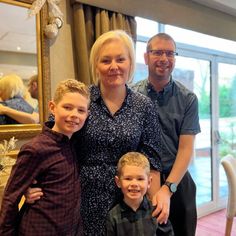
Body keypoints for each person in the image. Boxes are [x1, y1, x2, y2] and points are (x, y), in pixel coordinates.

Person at [25, 30, 163, 236]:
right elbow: (51, 143)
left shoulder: (144, 106)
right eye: (105, 60)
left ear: (130, 63)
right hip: (81, 200)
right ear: (96, 66)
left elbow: (151, 160)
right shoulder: (80, 99)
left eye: (120, 59)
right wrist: (32, 183)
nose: (114, 66)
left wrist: (153, 205)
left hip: (129, 201)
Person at [131, 33, 201, 236]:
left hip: (177, 180)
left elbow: (186, 149)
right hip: (142, 181)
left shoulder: (188, 99)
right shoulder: (132, 95)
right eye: (158, 52)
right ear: (146, 58)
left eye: (170, 53)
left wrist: (168, 188)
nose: (164, 58)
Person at [0, 79, 90, 235]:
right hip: (39, 229)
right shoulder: (35, 149)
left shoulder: (76, 143)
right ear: (52, 107)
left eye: (81, 110)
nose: (74, 114)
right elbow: (11, 197)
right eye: (67, 107)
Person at [106, 152, 174, 236]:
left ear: (149, 182)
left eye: (140, 179)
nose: (134, 183)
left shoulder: (157, 211)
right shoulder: (113, 216)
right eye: (128, 178)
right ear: (118, 182)